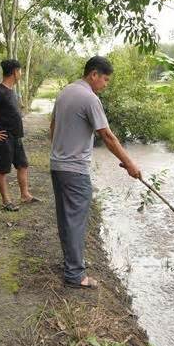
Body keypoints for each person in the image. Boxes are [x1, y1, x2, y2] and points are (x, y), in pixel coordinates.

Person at [50, 55, 141, 289]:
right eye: (106, 80)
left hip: (57, 166)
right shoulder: (90, 98)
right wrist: (129, 164)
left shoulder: (65, 92)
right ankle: (75, 275)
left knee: (66, 219)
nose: (105, 85)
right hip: (75, 170)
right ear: (94, 75)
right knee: (76, 221)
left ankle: (72, 262)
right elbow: (107, 136)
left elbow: (53, 128)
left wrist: (62, 149)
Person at [0, 59, 39, 211]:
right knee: (3, 170)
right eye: (20, 71)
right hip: (3, 138)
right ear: (14, 72)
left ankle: (25, 195)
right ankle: (6, 201)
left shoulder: (11, 91)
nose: (21, 74)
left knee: (23, 165)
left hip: (16, 138)